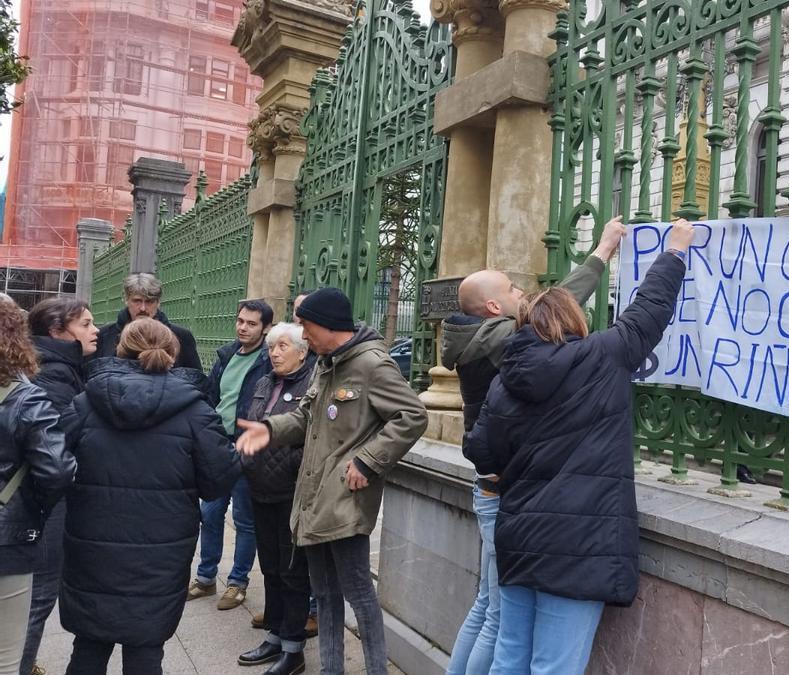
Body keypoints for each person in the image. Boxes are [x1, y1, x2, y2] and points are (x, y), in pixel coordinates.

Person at [465, 219, 692, 675]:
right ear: (575, 321)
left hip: (519, 535)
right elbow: (647, 313)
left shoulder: (503, 381)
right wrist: (674, 254)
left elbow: (481, 454)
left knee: (509, 655)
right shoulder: (600, 357)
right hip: (578, 544)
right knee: (555, 667)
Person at [440, 215, 626, 675]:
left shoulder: (473, 337)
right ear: (492, 307)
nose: (523, 293)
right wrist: (600, 254)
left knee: (487, 607)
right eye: (512, 289)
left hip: (490, 483)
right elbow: (559, 308)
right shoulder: (500, 338)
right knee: (497, 618)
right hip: (503, 486)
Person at [236, 287, 427, 675]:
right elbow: (306, 419)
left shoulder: (372, 364)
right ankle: (331, 668)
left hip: (346, 498)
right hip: (314, 495)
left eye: (306, 326)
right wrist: (269, 430)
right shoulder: (327, 363)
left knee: (358, 593)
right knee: (323, 592)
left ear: (327, 325)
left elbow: (412, 416)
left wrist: (369, 461)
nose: (303, 336)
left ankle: (376, 670)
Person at [59, 318, 241, 675]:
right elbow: (217, 483)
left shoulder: (85, 402)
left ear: (119, 350)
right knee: (145, 647)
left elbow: (55, 464)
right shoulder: (196, 410)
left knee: (89, 646)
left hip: (91, 542)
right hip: (162, 548)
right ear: (173, 353)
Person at [22, 298, 98, 675]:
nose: (94, 330)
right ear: (57, 332)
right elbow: (53, 453)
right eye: (85, 324)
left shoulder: (58, 366)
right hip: (44, 505)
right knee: (37, 597)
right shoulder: (53, 373)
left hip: (39, 502)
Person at [236, 323, 316, 675]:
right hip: (259, 488)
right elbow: (251, 422)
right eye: (271, 347)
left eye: (283, 346)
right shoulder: (265, 381)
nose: (275, 352)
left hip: (291, 491)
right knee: (269, 566)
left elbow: (312, 436)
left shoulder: (312, 383)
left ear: (302, 350)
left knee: (292, 571)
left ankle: (293, 648)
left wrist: (288, 464)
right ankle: (274, 634)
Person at [0, 301, 75, 675]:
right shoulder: (25, 397)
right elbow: (58, 469)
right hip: (7, 538)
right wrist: (36, 507)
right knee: (7, 656)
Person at [188, 299, 273, 610]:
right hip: (219, 447)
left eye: (251, 323)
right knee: (209, 514)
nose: (243, 327)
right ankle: (206, 577)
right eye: (240, 321)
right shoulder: (226, 355)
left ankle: (237, 583)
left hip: (248, 448)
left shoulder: (268, 360)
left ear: (265, 329)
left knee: (244, 520)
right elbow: (212, 396)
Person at [94, 273, 202, 370]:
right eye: (137, 301)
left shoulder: (182, 337)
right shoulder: (103, 336)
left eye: (149, 302)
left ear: (158, 302)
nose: (143, 308)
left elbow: (195, 379)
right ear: (126, 300)